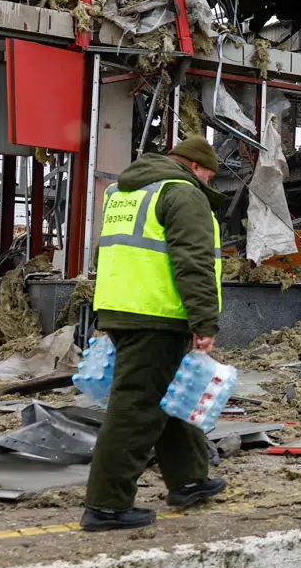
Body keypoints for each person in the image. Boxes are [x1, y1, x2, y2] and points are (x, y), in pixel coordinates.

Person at [82, 136, 228, 532]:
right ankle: (106, 506)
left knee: (172, 399)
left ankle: (189, 480)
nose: (208, 183)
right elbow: (194, 261)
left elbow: (107, 253)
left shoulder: (125, 192)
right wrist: (204, 321)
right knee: (135, 410)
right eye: (208, 175)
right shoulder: (182, 193)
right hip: (157, 313)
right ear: (194, 166)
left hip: (124, 307)